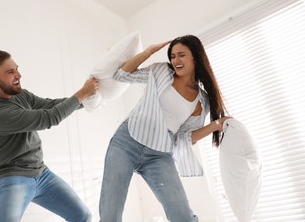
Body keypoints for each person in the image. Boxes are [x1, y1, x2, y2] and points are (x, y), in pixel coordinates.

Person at [99, 35, 231, 222]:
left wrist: (214, 126)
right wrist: (148, 52)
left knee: (183, 216)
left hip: (159, 154)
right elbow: (121, 75)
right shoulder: (161, 71)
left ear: (195, 56)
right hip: (126, 142)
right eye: (173, 56)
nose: (176, 60)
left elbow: (185, 137)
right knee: (110, 216)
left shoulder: (201, 100)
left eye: (181, 55)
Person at [0, 50, 98, 222]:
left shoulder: (20, 94)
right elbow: (50, 117)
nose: (19, 74)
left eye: (16, 68)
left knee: (82, 215)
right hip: (12, 176)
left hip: (42, 174)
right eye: (10, 72)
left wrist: (89, 98)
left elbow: (52, 105)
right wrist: (82, 93)